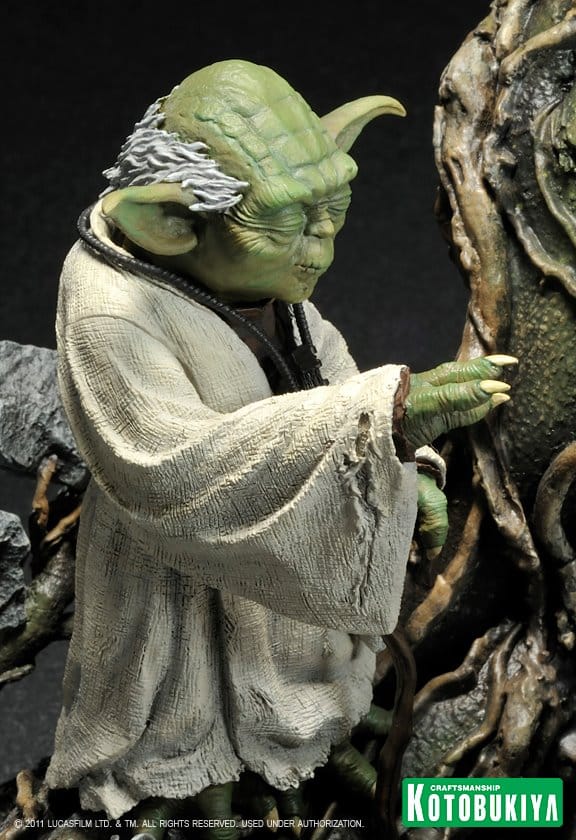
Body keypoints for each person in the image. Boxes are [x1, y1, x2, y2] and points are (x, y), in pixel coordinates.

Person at [46, 60, 513, 833]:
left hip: (284, 595)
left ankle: (309, 744)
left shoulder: (259, 280)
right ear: (174, 223)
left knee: (305, 683)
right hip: (167, 570)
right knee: (174, 705)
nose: (321, 246)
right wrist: (382, 416)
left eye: (332, 211)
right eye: (289, 222)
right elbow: (170, 469)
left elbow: (325, 369)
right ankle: (186, 781)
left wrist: (400, 459)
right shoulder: (110, 302)